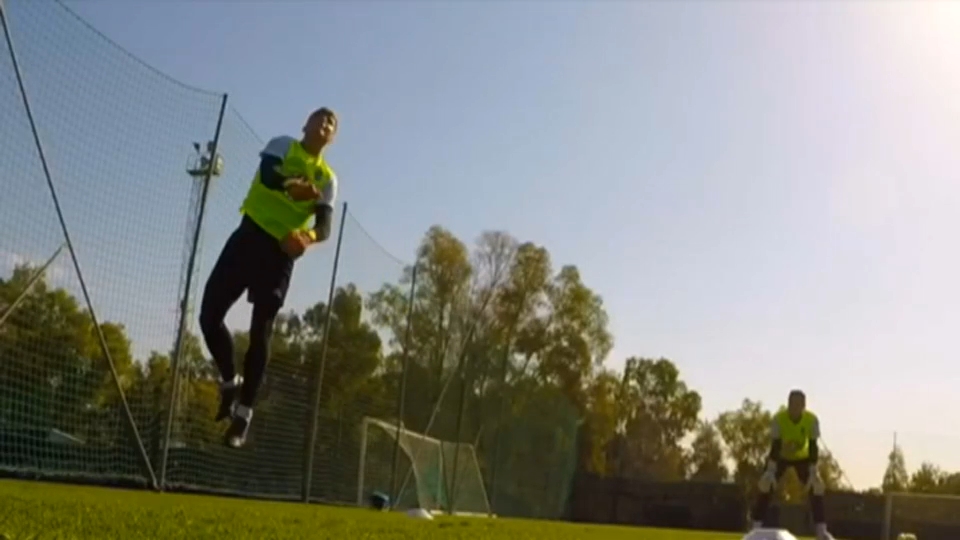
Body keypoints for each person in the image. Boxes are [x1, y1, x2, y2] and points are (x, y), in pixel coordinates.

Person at [198, 107, 339, 449]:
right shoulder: (283, 145)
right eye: (320, 117)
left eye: (332, 123)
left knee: (260, 331)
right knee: (209, 316)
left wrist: (306, 238)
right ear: (305, 124)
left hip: (279, 254)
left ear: (332, 137)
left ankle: (243, 416)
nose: (325, 123)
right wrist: (293, 186)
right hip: (249, 236)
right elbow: (267, 175)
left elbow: (324, 226)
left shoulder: (327, 179)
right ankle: (230, 381)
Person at [751, 389, 833, 540]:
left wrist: (813, 471)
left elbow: (813, 446)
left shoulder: (811, 420)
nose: (795, 408)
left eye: (798, 405)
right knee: (765, 486)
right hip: (781, 457)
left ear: (804, 406)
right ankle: (756, 528)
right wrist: (770, 470)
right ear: (788, 404)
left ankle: (821, 531)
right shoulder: (779, 419)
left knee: (816, 488)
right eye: (792, 404)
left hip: (803, 458)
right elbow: (775, 445)